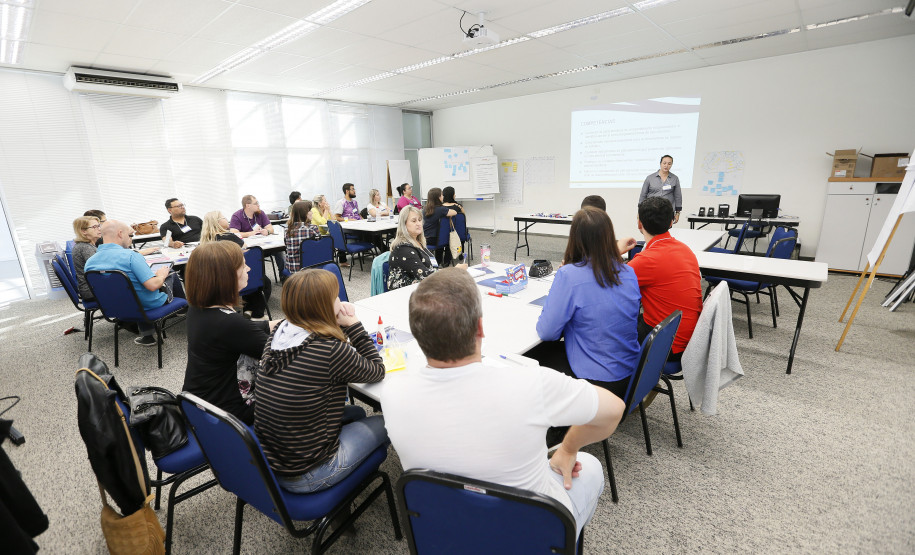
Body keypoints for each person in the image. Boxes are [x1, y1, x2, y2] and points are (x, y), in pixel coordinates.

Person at [383, 269, 626, 536]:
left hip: (445, 532)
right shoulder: (533, 383)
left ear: (417, 335)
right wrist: (568, 449)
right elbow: (615, 410)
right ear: (480, 328)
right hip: (529, 533)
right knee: (591, 466)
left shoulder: (392, 394)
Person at [255, 269, 388, 494]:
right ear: (323, 306)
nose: (340, 301)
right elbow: (377, 370)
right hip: (310, 473)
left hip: (274, 463)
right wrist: (353, 324)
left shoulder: (279, 332)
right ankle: (347, 486)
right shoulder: (329, 350)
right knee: (389, 422)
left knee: (356, 413)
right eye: (335, 297)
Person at [532, 207, 641, 400]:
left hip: (595, 383)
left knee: (529, 356)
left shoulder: (569, 275)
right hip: (630, 378)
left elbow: (547, 332)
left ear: (575, 238)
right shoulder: (629, 273)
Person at [183, 241, 272, 425]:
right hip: (229, 414)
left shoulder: (199, 309)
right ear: (227, 275)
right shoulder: (230, 323)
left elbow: (250, 330)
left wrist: (289, 323)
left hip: (200, 403)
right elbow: (284, 355)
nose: (248, 269)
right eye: (243, 265)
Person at [620, 197, 703, 361]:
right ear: (671, 222)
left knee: (608, 327)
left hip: (666, 343)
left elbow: (605, 285)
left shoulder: (646, 260)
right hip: (689, 337)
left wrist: (615, 251)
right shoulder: (685, 250)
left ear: (639, 223)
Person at [84, 220, 185, 346]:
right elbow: (153, 285)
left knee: (134, 286)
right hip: (148, 305)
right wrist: (161, 275)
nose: (131, 239)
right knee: (170, 272)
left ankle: (147, 336)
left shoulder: (90, 262)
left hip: (115, 308)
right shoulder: (131, 256)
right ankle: (184, 310)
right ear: (120, 234)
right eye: (129, 235)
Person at [387, 206, 466, 291]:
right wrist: (453, 271)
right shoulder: (403, 249)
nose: (418, 223)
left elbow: (431, 270)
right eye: (414, 221)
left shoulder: (417, 242)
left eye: (420, 220)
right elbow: (425, 276)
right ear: (404, 224)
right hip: (406, 293)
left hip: (422, 289)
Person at [230, 194, 286, 275]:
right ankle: (260, 278)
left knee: (279, 250)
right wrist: (250, 234)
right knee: (254, 255)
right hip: (249, 248)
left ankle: (283, 275)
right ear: (248, 206)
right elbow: (234, 233)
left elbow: (270, 228)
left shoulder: (260, 213)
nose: (258, 205)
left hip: (264, 245)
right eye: (256, 203)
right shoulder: (237, 216)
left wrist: (267, 231)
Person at [639, 154, 682, 224]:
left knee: (665, 230)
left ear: (671, 165)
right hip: (651, 211)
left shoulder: (675, 178)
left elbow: (678, 196)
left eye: (669, 164)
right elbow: (643, 195)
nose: (666, 165)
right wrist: (639, 211)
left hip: (667, 211)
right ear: (660, 163)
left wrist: (678, 213)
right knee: (651, 229)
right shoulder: (650, 178)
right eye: (664, 163)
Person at [422, 187, 457, 266]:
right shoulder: (441, 209)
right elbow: (454, 212)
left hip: (425, 238)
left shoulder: (425, 209)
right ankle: (446, 262)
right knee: (449, 239)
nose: (443, 196)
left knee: (440, 237)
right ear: (438, 197)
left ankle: (438, 261)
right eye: (441, 195)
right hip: (436, 240)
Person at [284, 201, 321, 272]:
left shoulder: (287, 230)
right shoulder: (312, 229)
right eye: (310, 211)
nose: (312, 213)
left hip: (292, 269)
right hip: (309, 269)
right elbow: (319, 249)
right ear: (304, 213)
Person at [71, 216, 102, 301]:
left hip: (92, 286)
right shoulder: (85, 248)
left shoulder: (88, 245)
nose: (99, 229)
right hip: (91, 290)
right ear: (83, 231)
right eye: (94, 227)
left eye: (99, 226)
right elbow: (100, 270)